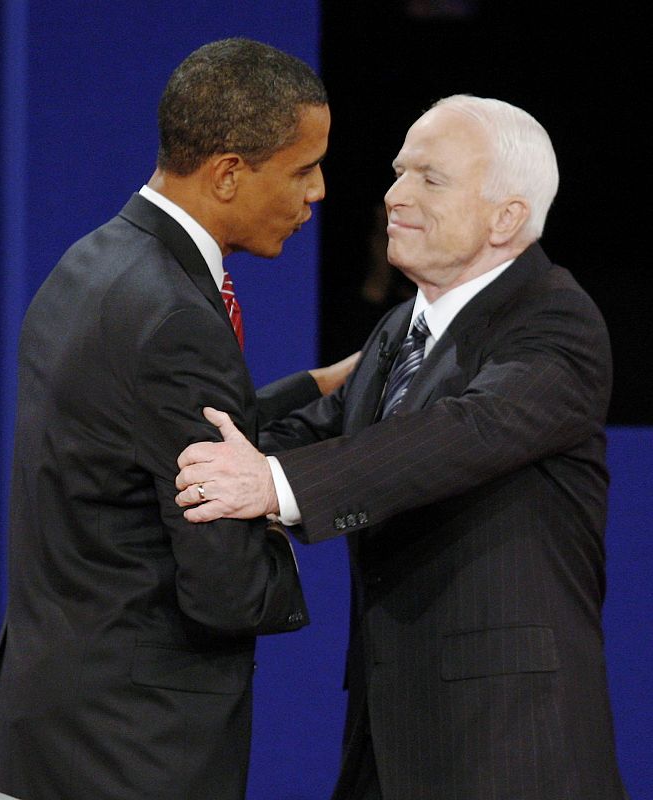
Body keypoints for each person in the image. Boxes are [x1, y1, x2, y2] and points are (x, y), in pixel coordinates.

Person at [173, 95, 628, 799]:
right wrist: (198, 440)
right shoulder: (400, 329)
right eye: (397, 171)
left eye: (429, 178)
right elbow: (316, 431)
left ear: (506, 216)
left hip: (509, 748)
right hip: (389, 738)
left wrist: (274, 485)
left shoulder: (554, 320)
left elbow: (461, 431)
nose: (394, 195)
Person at [0, 37, 342, 800]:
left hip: (51, 730)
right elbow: (226, 590)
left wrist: (312, 387)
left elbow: (142, 432)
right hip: (132, 754)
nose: (316, 193)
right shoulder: (178, 318)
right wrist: (274, 510)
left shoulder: (92, 265)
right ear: (228, 174)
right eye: (303, 168)